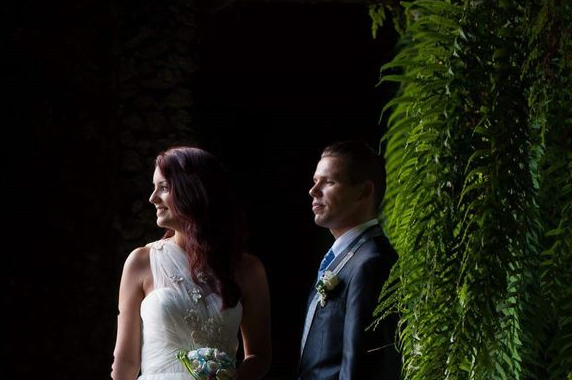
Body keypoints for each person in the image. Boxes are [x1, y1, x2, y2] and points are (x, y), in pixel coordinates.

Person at [111, 146, 271, 380]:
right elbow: (126, 361)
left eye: (163, 187)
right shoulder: (141, 262)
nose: (152, 198)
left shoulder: (247, 268)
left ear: (194, 190)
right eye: (154, 188)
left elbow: (258, 355)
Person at [298, 141, 400, 380]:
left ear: (364, 191)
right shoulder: (344, 256)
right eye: (315, 181)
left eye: (329, 182)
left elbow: (359, 362)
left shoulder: (371, 261)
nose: (314, 191)